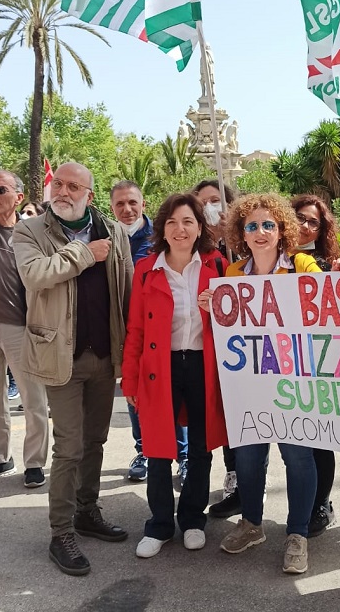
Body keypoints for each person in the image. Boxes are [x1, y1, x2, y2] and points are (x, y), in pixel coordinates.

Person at [13, 162, 133, 577]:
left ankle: (87, 511)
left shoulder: (114, 231)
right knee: (69, 446)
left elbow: (127, 289)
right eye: (58, 183)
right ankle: (60, 532)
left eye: (73, 185)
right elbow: (34, 275)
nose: (62, 191)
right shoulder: (30, 231)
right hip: (58, 356)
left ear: (89, 194)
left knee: (96, 440)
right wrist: (84, 253)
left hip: (104, 355)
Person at [202, 193, 321, 574]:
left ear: (282, 229)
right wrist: (212, 304)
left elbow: (325, 311)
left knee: (298, 457)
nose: (260, 232)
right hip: (249, 385)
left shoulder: (302, 265)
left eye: (268, 224)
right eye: (251, 226)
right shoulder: (234, 275)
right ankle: (252, 524)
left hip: (293, 380)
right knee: (249, 458)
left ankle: (298, 534)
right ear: (241, 232)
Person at [122, 193, 228, 558]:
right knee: (157, 449)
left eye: (187, 222)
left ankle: (194, 520)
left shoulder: (217, 267)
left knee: (199, 449)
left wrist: (215, 311)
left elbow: (237, 322)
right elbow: (135, 329)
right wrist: (130, 379)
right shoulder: (146, 268)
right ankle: (160, 524)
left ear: (200, 227)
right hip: (159, 368)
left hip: (203, 366)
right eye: (171, 222)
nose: (180, 229)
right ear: (161, 229)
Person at [110, 179, 188, 484]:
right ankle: (143, 450)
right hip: (126, 329)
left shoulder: (160, 239)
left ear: (143, 204)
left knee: (174, 393)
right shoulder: (109, 237)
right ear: (112, 207)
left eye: (132, 203)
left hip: (164, 330)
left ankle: (182, 455)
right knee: (134, 392)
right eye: (120, 204)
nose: (127, 209)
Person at [290, 193, 340, 538]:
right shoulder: (269, 261)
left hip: (320, 364)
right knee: (294, 442)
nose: (306, 225)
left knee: (318, 441)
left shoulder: (329, 267)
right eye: (300, 217)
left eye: (314, 221)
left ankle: (321, 504)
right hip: (282, 365)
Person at [0, 170, 49, 486]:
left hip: (21, 328)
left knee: (33, 399)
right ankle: (1, 457)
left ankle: (35, 462)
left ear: (17, 197)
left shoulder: (33, 235)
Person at [193, 179, 240, 517]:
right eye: (203, 201)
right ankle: (234, 480)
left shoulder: (245, 242)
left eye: (216, 199)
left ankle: (249, 485)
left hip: (248, 352)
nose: (211, 206)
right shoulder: (196, 249)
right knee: (222, 419)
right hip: (210, 351)